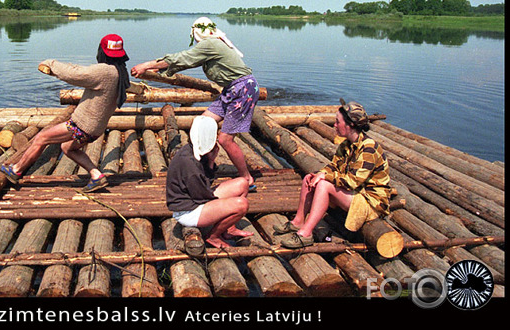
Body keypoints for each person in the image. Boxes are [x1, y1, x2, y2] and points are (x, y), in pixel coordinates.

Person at [131, 17, 260, 190]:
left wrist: (146, 65)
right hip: (231, 90)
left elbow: (183, 57)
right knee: (202, 124)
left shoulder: (211, 44)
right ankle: (209, 165)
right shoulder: (212, 44)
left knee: (225, 139)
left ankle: (247, 178)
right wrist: (159, 68)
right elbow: (188, 61)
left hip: (243, 90)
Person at [0, 34, 131, 193]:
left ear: (102, 51)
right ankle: (96, 175)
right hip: (96, 128)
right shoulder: (120, 71)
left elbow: (75, 74)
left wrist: (50, 63)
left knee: (42, 138)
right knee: (68, 147)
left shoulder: (104, 71)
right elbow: (82, 71)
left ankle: (16, 170)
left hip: (82, 126)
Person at [275, 99, 392, 249]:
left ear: (350, 125)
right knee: (309, 179)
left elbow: (352, 181)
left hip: (371, 202)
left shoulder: (368, 149)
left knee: (324, 184)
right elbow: (333, 166)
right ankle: (298, 222)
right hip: (355, 193)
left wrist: (325, 177)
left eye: (338, 122)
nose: (334, 125)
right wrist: (320, 174)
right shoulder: (346, 145)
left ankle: (306, 234)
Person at [166, 115, 254, 249]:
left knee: (242, 183)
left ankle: (229, 227)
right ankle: (214, 236)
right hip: (188, 210)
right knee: (241, 205)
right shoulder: (190, 165)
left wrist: (211, 162)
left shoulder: (195, 150)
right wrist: (228, 204)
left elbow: (205, 185)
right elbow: (203, 195)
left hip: (198, 197)